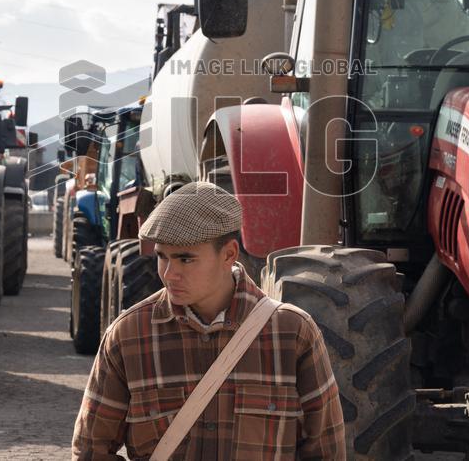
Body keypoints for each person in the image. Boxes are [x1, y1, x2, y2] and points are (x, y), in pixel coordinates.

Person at [72, 181, 345, 460]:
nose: (169, 274)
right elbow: (91, 451)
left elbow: (326, 452)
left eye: (185, 259)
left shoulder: (293, 334)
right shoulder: (128, 336)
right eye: (162, 257)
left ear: (229, 254)